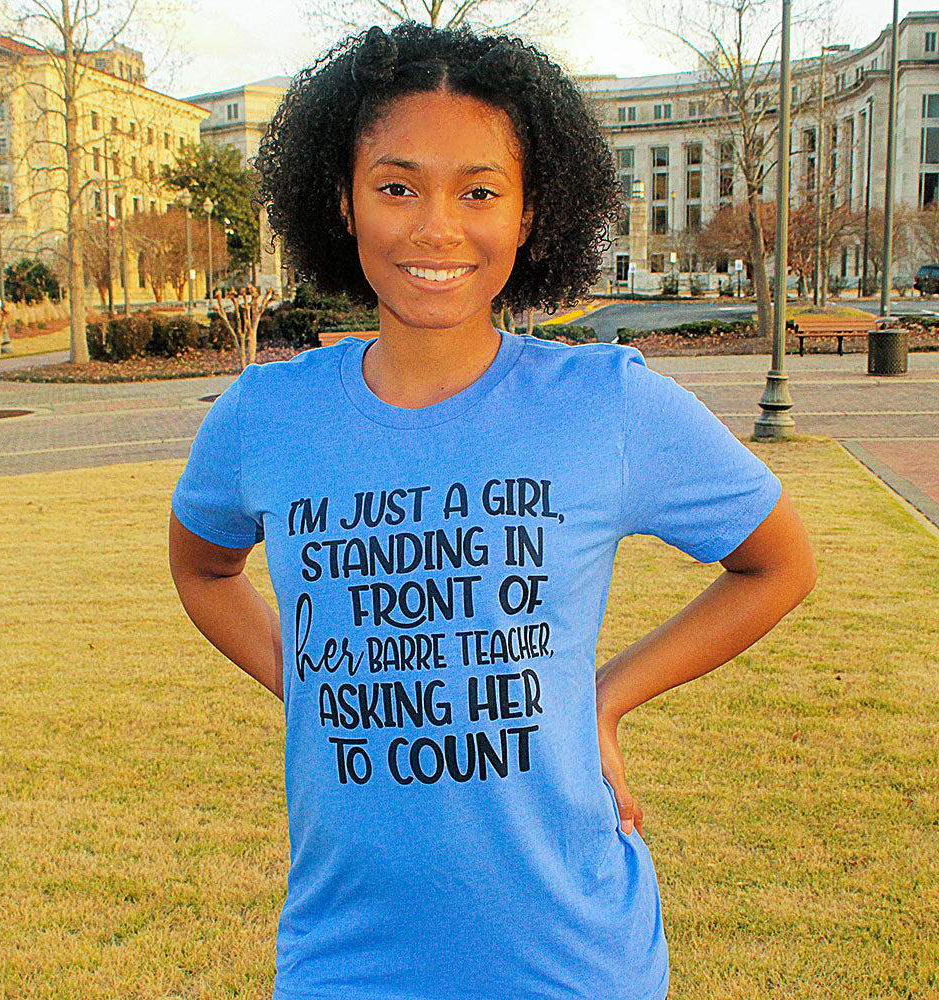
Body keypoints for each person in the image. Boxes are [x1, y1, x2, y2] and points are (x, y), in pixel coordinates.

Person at [169, 21, 817, 1000]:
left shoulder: (606, 403)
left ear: (527, 215)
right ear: (340, 201)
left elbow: (779, 562)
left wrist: (601, 697)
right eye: (396, 186)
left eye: (478, 190)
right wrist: (303, 676)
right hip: (347, 960)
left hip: (571, 957)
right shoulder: (266, 415)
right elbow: (203, 565)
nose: (435, 225)